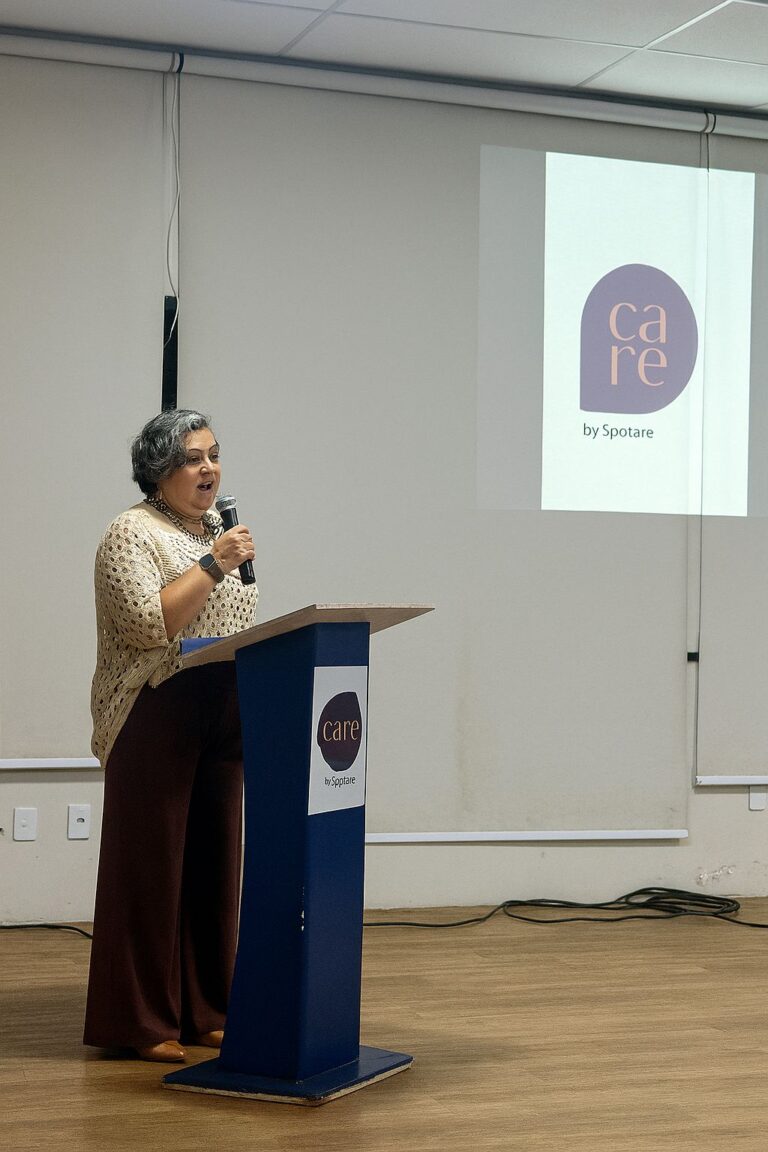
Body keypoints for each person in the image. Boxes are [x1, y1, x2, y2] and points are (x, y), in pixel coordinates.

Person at [83, 409, 258, 1063]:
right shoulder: (130, 533)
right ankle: (140, 1021)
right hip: (152, 709)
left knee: (215, 865)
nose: (209, 469)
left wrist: (218, 554)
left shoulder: (216, 531)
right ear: (160, 471)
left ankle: (206, 1009)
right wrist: (214, 563)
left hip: (222, 708)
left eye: (214, 455)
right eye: (192, 458)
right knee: (150, 870)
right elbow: (147, 625)